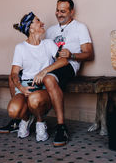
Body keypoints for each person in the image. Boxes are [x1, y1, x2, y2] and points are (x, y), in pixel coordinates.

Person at [4, 11, 68, 142]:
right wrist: (21, 88)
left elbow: (63, 61)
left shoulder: (48, 43)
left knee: (34, 99)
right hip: (25, 86)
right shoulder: (20, 47)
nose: (42, 23)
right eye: (38, 20)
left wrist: (44, 71)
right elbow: (14, 73)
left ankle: (40, 122)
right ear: (30, 28)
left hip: (41, 87)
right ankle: (26, 119)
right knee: (13, 110)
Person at [43, 0, 93, 146]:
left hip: (69, 66)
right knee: (26, 76)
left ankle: (61, 127)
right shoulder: (51, 30)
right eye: (57, 10)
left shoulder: (80, 27)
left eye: (63, 11)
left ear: (72, 12)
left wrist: (71, 55)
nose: (59, 14)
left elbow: (89, 54)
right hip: (51, 66)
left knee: (49, 79)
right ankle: (23, 120)